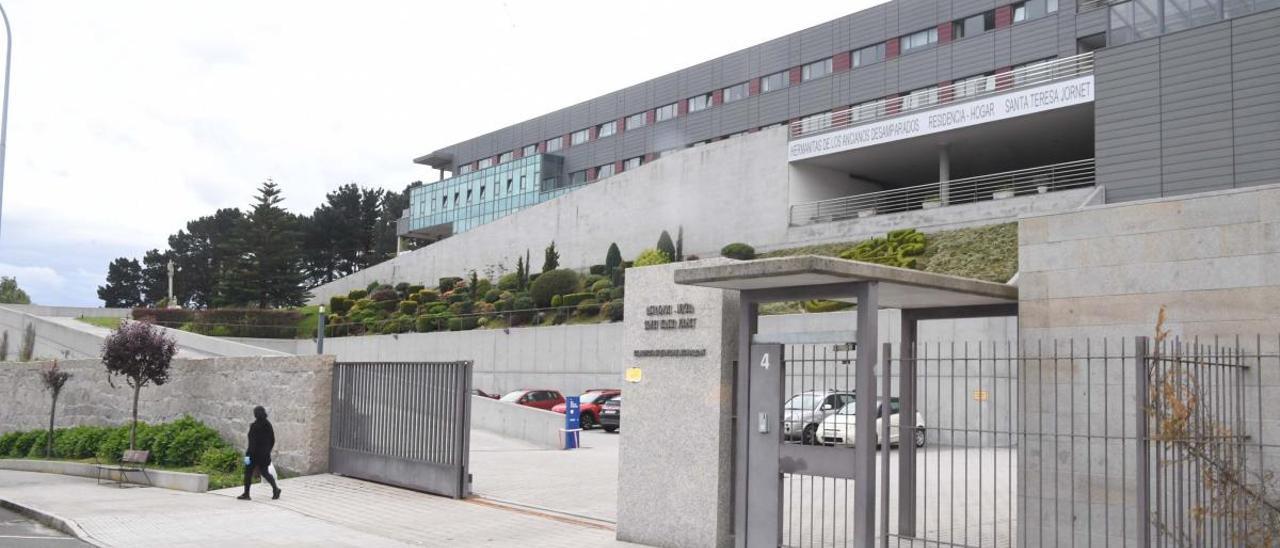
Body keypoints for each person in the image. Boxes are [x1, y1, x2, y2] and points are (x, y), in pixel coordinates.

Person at [237, 405, 281, 500]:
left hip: (253, 456)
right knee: (265, 472)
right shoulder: (268, 424)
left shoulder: (254, 426)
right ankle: (275, 489)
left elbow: (252, 444)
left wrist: (247, 456)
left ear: (255, 415)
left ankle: (246, 494)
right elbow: (272, 440)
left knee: (248, 473)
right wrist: (267, 450)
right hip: (264, 455)